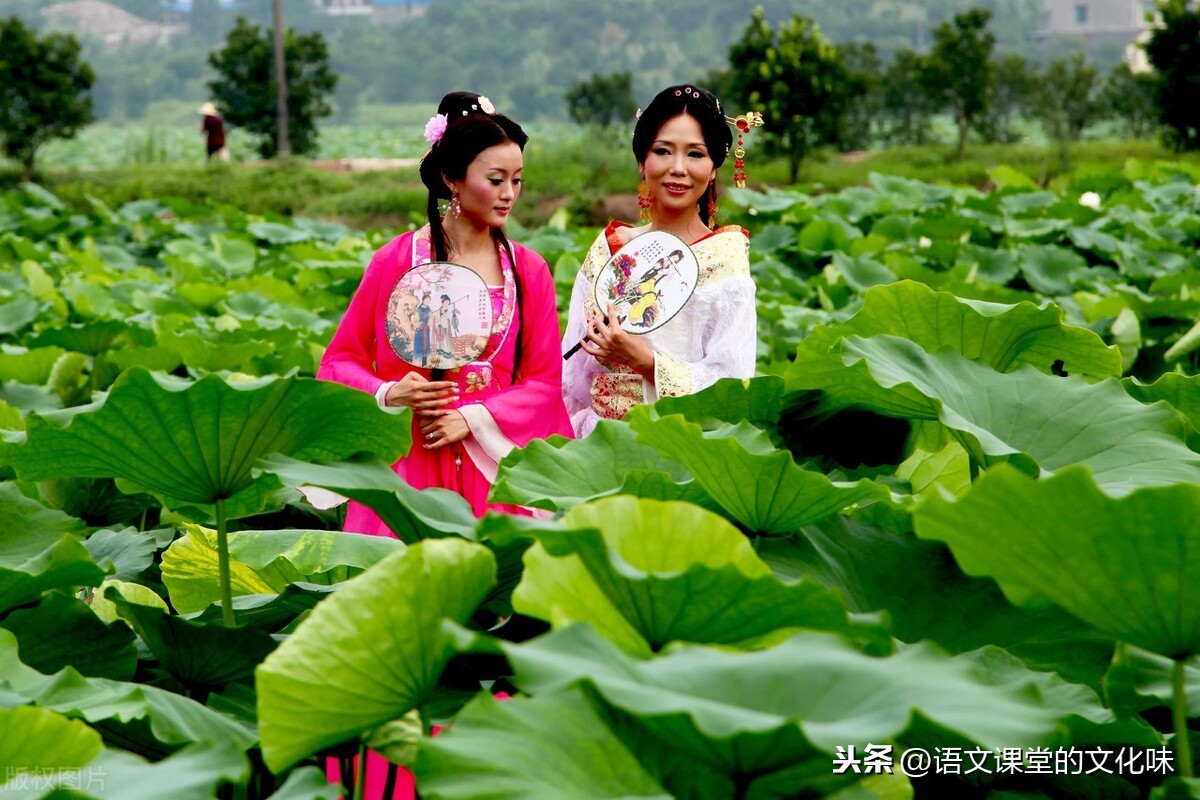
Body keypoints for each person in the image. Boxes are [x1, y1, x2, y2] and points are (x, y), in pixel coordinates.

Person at [317, 91, 572, 799]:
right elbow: (337, 365)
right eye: (497, 178)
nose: (511, 194)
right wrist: (391, 393)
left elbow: (546, 384)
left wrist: (477, 415)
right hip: (406, 483)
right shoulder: (394, 261)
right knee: (398, 647)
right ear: (451, 179)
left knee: (487, 642)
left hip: (490, 480)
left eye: (519, 179)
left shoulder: (531, 271)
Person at [562, 84, 758, 436]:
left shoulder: (725, 260)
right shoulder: (610, 248)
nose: (678, 168)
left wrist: (646, 361)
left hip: (678, 446)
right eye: (663, 151)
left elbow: (733, 384)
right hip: (594, 447)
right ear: (642, 162)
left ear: (714, 167)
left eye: (695, 154)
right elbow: (571, 377)